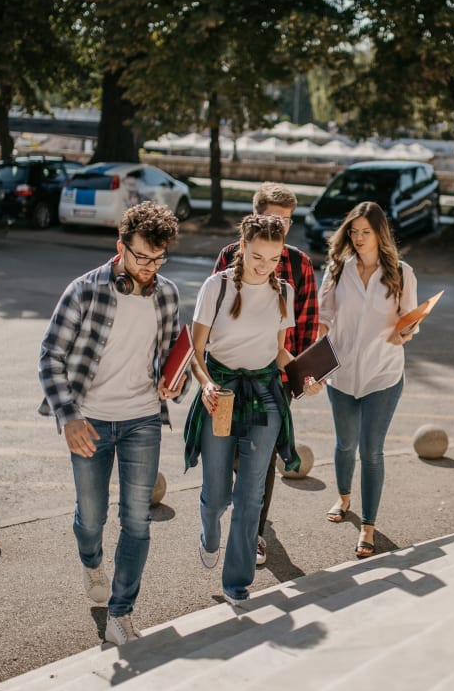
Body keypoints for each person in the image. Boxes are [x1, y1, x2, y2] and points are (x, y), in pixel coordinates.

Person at [38, 202, 188, 645]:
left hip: (142, 419)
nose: (148, 268)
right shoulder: (85, 291)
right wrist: (68, 417)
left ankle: (121, 612)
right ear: (120, 246)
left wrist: (173, 386)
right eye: (141, 257)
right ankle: (91, 560)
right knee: (91, 517)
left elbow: (169, 361)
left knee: (137, 521)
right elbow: (50, 356)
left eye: (158, 259)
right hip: (89, 421)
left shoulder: (167, 294)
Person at [185, 214, 322, 606]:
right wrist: (207, 383)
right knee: (215, 495)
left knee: (250, 496)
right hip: (221, 393)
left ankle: (237, 585)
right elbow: (196, 352)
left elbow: (279, 352)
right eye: (258, 257)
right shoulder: (217, 286)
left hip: (264, 395)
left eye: (274, 259)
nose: (265, 266)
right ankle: (209, 531)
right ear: (242, 247)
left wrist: (304, 376)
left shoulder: (285, 292)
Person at [212, 183, 319, 566]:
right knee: (230, 455)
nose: (283, 226)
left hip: (275, 376)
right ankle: (230, 513)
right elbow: (212, 320)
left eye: (288, 220)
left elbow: (306, 327)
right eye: (275, 218)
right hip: (227, 376)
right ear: (255, 218)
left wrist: (300, 379)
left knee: (263, 455)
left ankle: (254, 532)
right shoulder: (228, 257)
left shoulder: (300, 264)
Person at [318, 201, 418, 559]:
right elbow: (324, 317)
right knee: (345, 444)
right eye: (354, 232)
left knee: (371, 450)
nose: (359, 239)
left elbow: (410, 319)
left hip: (384, 374)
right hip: (341, 373)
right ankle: (344, 497)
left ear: (380, 234)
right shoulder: (336, 270)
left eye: (366, 232)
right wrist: (313, 355)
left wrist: (405, 332)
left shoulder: (402, 273)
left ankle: (368, 525)